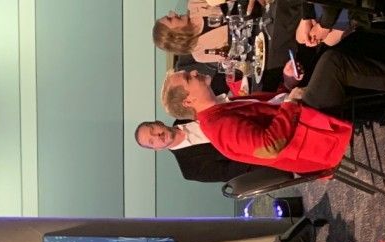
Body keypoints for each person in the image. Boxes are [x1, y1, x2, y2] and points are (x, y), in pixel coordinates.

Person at [161, 68, 354, 174]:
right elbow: (270, 146)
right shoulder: (218, 126)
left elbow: (270, 108)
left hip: (302, 118)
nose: (195, 72)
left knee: (315, 56)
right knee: (333, 64)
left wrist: (287, 84)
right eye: (188, 77)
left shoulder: (218, 108)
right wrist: (291, 103)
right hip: (311, 138)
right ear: (188, 101)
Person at [134, 119, 257, 183]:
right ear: (157, 149)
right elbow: (234, 172)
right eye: (152, 141)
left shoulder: (185, 110)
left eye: (153, 130)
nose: (157, 136)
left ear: (158, 123)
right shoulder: (191, 169)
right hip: (257, 151)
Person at [153, 1, 260, 63]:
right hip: (256, 40)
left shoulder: (194, 3)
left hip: (256, 8)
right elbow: (234, 55)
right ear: (174, 37)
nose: (173, 14)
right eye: (170, 19)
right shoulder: (199, 54)